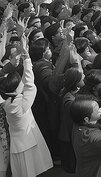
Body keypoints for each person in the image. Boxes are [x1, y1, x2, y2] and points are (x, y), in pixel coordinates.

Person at [0, 44, 53, 177]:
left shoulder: (6, 102)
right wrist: (26, 57)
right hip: (28, 145)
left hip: (17, 146)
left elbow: (23, 82)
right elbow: (29, 82)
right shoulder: (21, 104)